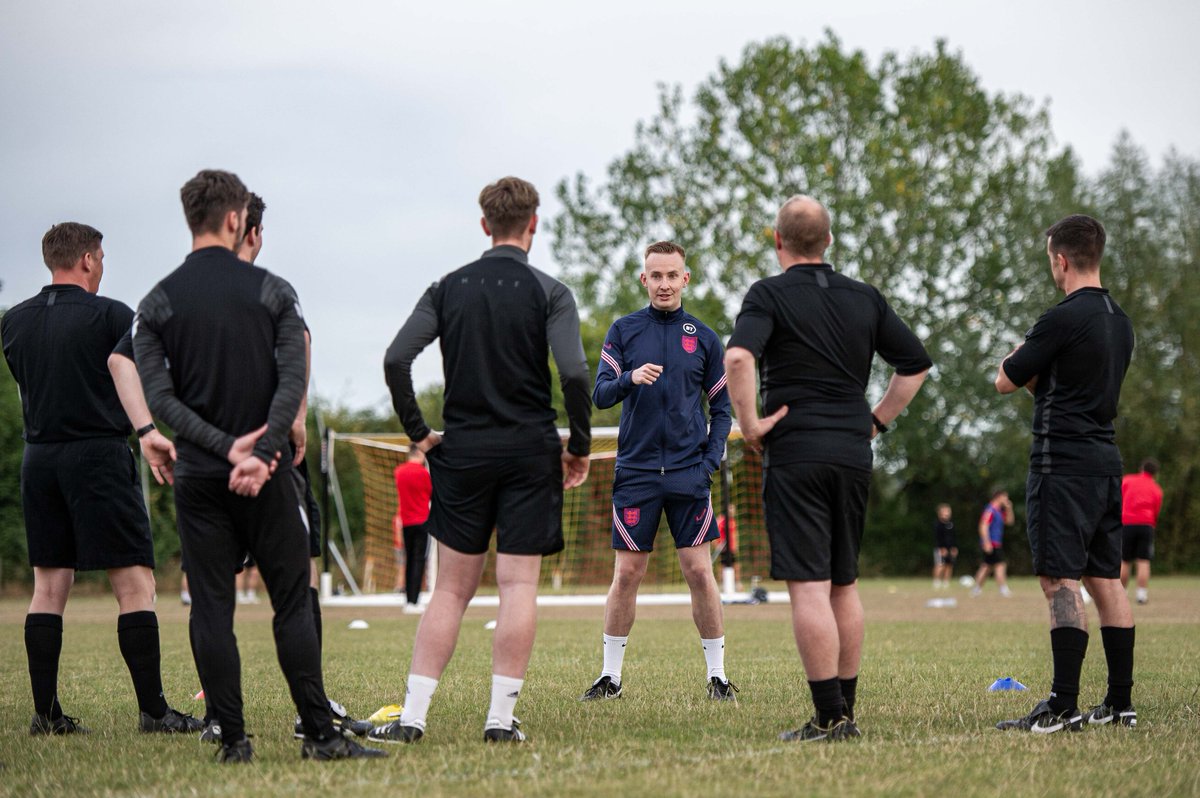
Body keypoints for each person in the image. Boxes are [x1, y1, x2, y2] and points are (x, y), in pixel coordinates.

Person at [134, 169, 385, 762]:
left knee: (211, 607)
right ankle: (320, 736)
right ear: (235, 219)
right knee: (292, 601)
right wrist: (263, 451)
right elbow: (294, 379)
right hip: (269, 474)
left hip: (199, 476)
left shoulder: (157, 301)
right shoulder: (274, 291)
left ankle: (233, 740)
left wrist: (222, 449)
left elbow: (159, 397)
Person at [377, 176, 591, 744]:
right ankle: (499, 721)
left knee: (450, 590)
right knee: (518, 586)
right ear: (533, 224)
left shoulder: (447, 288)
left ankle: (413, 718)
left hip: (463, 452)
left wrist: (420, 435)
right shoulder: (551, 291)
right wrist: (579, 446)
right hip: (529, 452)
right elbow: (574, 373)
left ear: (484, 224)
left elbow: (396, 359)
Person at [724, 195, 931, 742]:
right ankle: (846, 713)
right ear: (829, 240)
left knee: (809, 587)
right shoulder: (865, 297)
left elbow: (738, 357)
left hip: (797, 451)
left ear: (778, 241)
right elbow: (915, 365)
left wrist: (750, 425)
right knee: (844, 582)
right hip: (852, 452)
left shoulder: (768, 294)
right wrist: (876, 421)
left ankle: (828, 717)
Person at [2, 222, 203, 736]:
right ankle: (154, 713)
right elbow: (128, 372)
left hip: (39, 458)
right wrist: (148, 429)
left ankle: (46, 715)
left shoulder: (13, 322)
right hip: (98, 455)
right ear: (88, 259)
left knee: (49, 587)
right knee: (135, 584)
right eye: (102, 258)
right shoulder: (112, 314)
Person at [994, 214, 1137, 733]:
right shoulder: (1121, 321)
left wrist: (1020, 355)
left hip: (1062, 464)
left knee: (1060, 580)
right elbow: (1076, 387)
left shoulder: (1060, 318)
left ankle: (1062, 705)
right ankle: (1119, 703)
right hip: (1105, 461)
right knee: (1106, 579)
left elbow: (1005, 379)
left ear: (1061, 260)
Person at [579, 241, 735, 703]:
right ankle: (610, 678)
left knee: (699, 572)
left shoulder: (704, 338)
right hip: (637, 471)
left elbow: (722, 410)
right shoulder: (624, 330)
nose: (664, 284)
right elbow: (600, 394)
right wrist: (629, 378)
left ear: (685, 279)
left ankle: (718, 677)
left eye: (672, 275)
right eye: (656, 276)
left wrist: (708, 463)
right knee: (628, 574)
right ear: (643, 279)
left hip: (689, 473)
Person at [393, 447, 433, 613]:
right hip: (422, 521)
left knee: (409, 560)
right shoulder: (424, 474)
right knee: (419, 560)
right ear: (419, 453)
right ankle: (414, 600)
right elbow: (432, 494)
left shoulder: (399, 472)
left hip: (406, 522)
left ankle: (409, 599)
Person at [1121, 459, 1162, 605]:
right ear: (1155, 473)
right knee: (1143, 561)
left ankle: (1121, 593)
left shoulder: (1128, 480)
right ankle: (1141, 595)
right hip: (1146, 525)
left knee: (1125, 560)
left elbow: (1118, 499)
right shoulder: (1156, 488)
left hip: (1127, 523)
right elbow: (1156, 511)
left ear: (1141, 468)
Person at [971, 490, 1013, 597]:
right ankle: (1003, 589)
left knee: (987, 566)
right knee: (1000, 565)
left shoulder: (999, 511)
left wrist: (1009, 508)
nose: (1006, 500)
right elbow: (983, 525)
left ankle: (976, 589)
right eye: (1005, 497)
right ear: (998, 497)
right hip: (992, 543)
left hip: (996, 542)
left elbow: (1009, 522)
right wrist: (986, 542)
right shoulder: (990, 510)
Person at [932, 504, 956, 589]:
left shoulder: (951, 524)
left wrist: (954, 547)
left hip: (950, 548)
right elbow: (937, 538)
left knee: (949, 565)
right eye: (945, 511)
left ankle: (946, 582)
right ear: (940, 513)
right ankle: (936, 582)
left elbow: (953, 537)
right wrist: (941, 548)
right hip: (940, 548)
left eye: (948, 511)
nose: (947, 513)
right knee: (940, 564)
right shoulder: (938, 525)